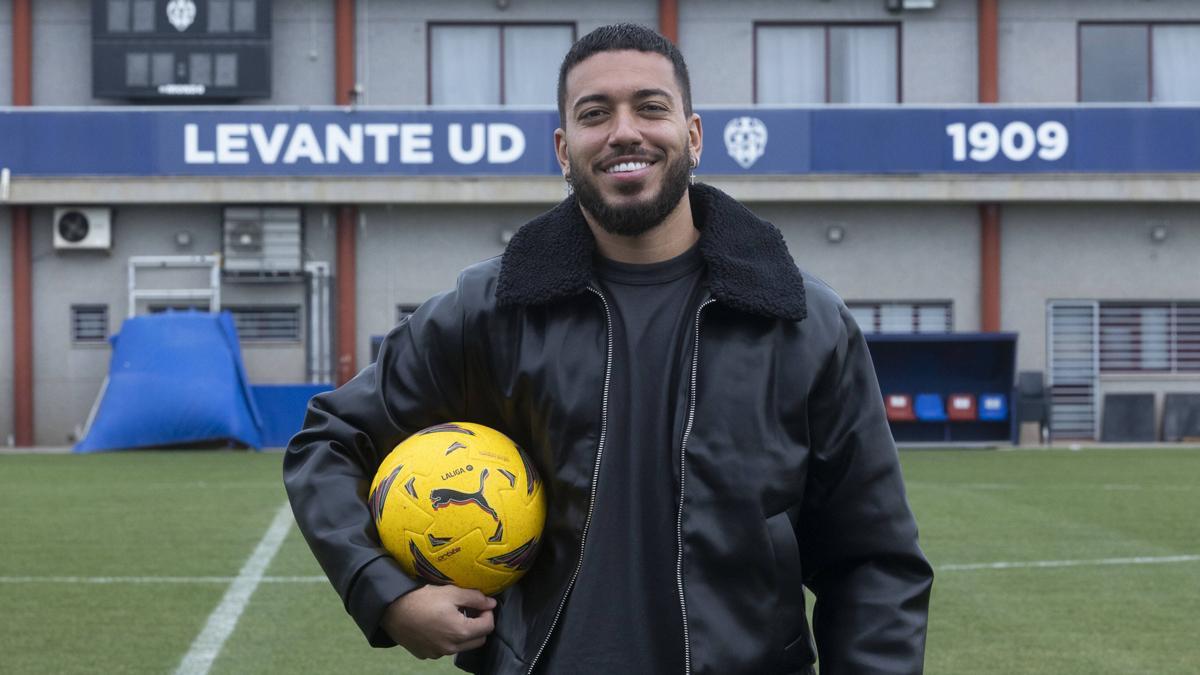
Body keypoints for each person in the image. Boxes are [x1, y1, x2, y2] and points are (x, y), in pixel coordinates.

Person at [284, 23, 932, 675]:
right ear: (564, 149)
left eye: (651, 107)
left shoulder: (802, 322)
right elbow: (331, 439)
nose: (625, 131)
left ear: (694, 135)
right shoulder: (492, 310)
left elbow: (872, 562)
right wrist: (388, 595)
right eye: (595, 114)